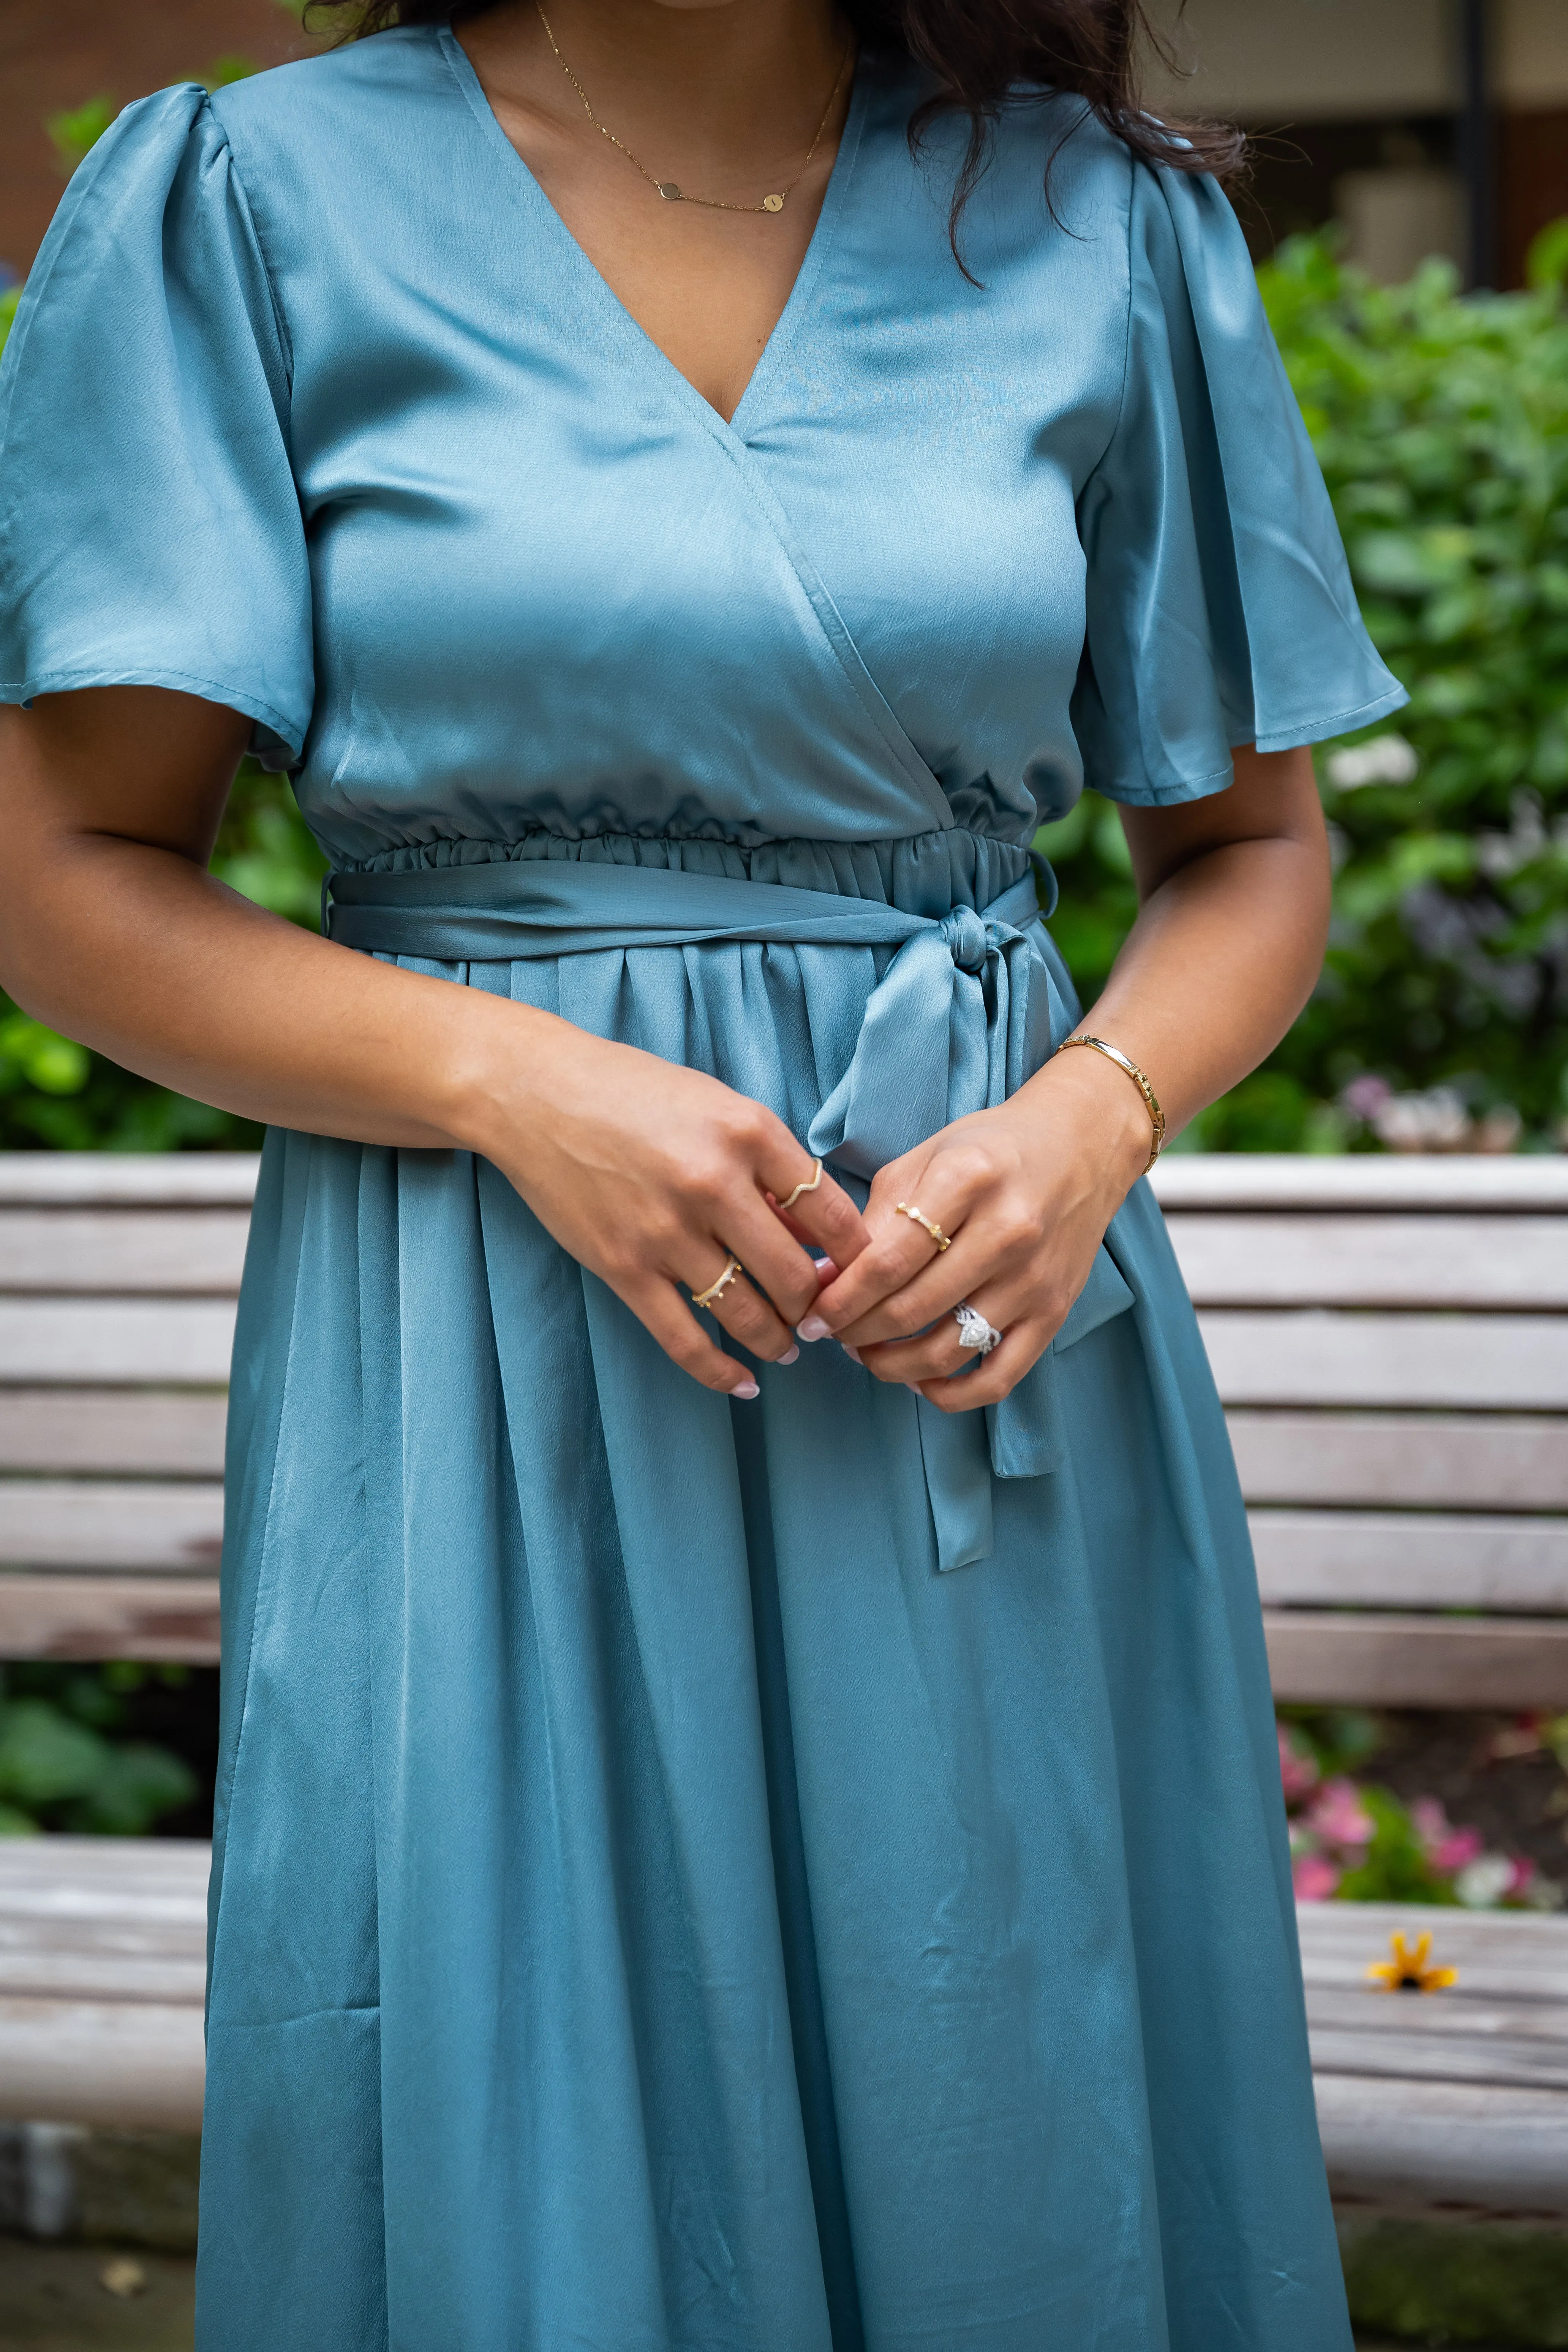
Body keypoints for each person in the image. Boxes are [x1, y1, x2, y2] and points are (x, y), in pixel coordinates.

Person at [0, 1, 1406, 2343]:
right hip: (483, 1369)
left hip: (971, 1361)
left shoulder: (1099, 220)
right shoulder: (248, 201)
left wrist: (1095, 1118)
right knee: (526, 2133)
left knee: (1006, 2117)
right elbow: (62, 874)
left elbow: (1252, 845)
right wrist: (508, 1078)